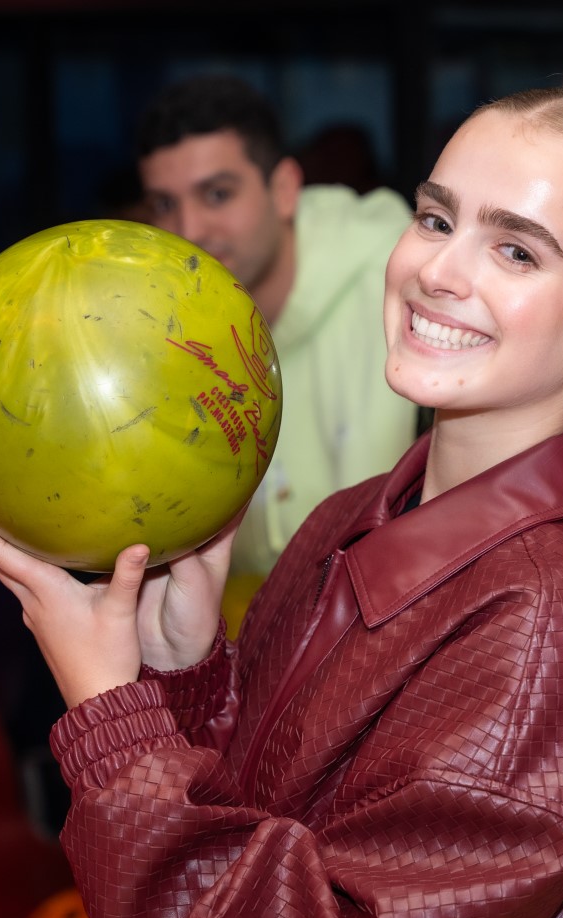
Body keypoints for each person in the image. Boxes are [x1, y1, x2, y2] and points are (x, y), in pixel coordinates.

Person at [0, 86, 563, 918]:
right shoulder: (352, 517)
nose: (439, 270)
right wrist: (183, 671)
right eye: (437, 219)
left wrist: (107, 713)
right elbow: (275, 819)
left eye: (515, 250)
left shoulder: (543, 635)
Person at [136, 75, 421, 576]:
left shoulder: (401, 290)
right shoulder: (159, 319)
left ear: (285, 189)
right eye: (165, 204)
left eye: (217, 194)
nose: (188, 231)